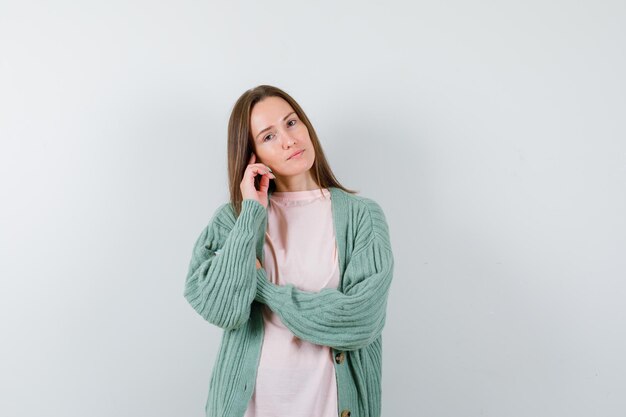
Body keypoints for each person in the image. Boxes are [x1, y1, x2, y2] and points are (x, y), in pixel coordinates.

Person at [184, 84, 394, 417]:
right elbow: (219, 308)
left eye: (292, 122)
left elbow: (361, 320)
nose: (288, 140)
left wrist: (265, 291)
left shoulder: (362, 216)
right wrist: (251, 212)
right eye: (268, 136)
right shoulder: (234, 220)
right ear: (251, 155)